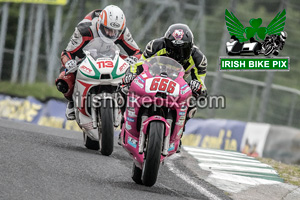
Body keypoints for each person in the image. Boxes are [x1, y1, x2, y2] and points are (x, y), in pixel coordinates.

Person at [120, 23, 208, 151]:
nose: (177, 54)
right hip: (153, 77)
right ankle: (125, 124)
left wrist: (198, 86)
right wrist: (131, 75)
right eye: (172, 49)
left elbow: (201, 81)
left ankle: (179, 132)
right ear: (166, 44)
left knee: (192, 101)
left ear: (190, 46)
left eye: (183, 49)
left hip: (179, 82)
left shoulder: (199, 58)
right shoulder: (155, 46)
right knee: (125, 89)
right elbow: (139, 64)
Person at [55, 5, 142, 120]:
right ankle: (72, 100)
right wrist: (70, 63)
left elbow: (138, 52)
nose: (111, 34)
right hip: (84, 55)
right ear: (100, 24)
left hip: (110, 52)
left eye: (115, 31)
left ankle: (125, 100)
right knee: (64, 79)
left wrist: (133, 60)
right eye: (108, 29)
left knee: (136, 70)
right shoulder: (84, 29)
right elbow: (66, 53)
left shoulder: (123, 31)